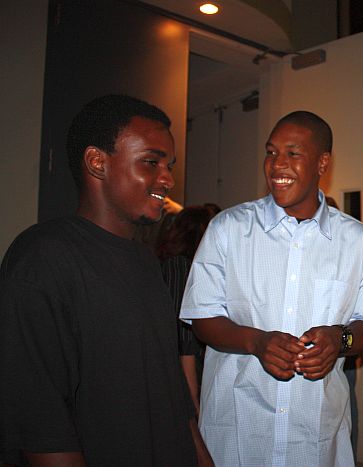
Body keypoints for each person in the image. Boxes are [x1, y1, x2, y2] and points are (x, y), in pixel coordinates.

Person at [0, 94, 212, 466]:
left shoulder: (146, 262)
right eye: (151, 162)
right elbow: (41, 421)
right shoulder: (43, 256)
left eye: (169, 164)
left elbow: (173, 395)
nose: (167, 178)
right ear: (97, 162)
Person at [180, 110, 363, 466]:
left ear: (323, 162)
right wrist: (255, 342)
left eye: (293, 153)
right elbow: (202, 318)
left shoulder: (356, 241)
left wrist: (340, 340)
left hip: (314, 439)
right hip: (238, 435)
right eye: (271, 152)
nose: (277, 165)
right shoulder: (228, 228)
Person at [157, 205, 219, 417]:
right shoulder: (179, 267)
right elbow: (183, 340)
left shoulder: (187, 267)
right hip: (186, 377)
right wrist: (193, 406)